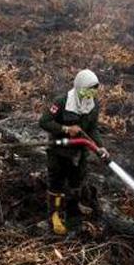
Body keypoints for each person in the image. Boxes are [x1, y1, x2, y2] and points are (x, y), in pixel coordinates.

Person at [39, 69, 110, 235]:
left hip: (79, 154)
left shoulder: (93, 105)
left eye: (93, 90)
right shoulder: (62, 102)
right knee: (56, 183)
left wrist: (100, 146)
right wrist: (65, 128)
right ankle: (54, 216)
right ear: (78, 87)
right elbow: (44, 122)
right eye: (87, 89)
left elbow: (92, 129)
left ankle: (73, 208)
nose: (90, 94)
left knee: (76, 182)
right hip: (59, 152)